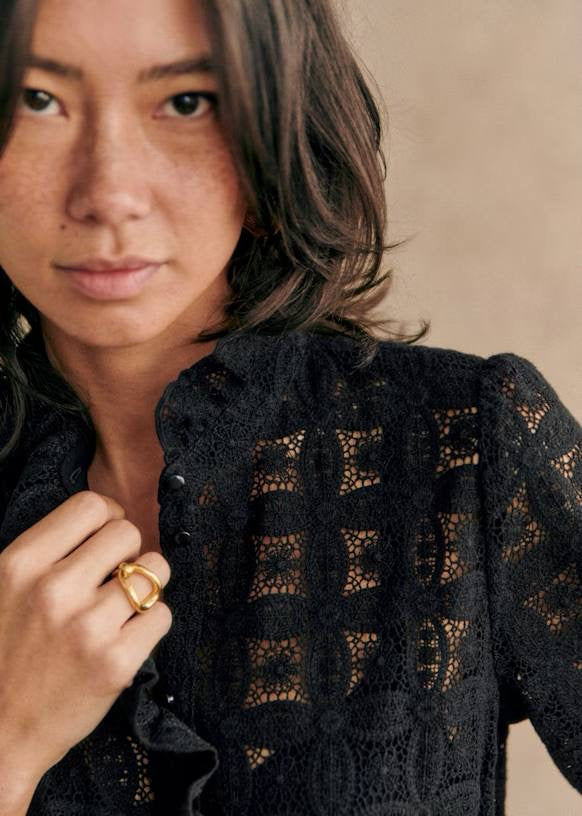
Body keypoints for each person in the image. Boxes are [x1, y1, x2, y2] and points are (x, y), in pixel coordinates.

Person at [0, 0, 580, 814]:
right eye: (38, 99)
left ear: (275, 130)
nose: (109, 194)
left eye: (186, 101)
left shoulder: (467, 443)